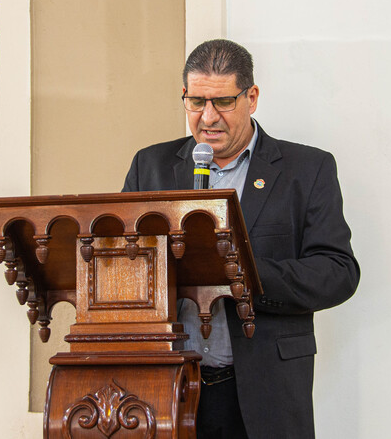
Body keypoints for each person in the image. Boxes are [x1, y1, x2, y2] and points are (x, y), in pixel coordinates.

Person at [122, 39, 360, 439]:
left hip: (267, 389)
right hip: (171, 388)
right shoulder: (152, 166)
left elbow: (338, 273)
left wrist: (240, 272)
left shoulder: (308, 169)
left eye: (223, 102)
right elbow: (125, 263)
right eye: (196, 102)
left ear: (251, 97)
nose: (208, 118)